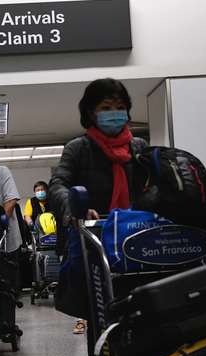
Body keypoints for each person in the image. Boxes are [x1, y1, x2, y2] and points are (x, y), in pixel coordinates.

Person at [48, 78, 148, 335]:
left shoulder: (138, 148)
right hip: (96, 245)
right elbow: (58, 184)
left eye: (120, 106)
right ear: (91, 113)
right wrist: (75, 209)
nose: (114, 113)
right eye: (106, 107)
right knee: (102, 320)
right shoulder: (78, 148)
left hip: (138, 242)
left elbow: (153, 185)